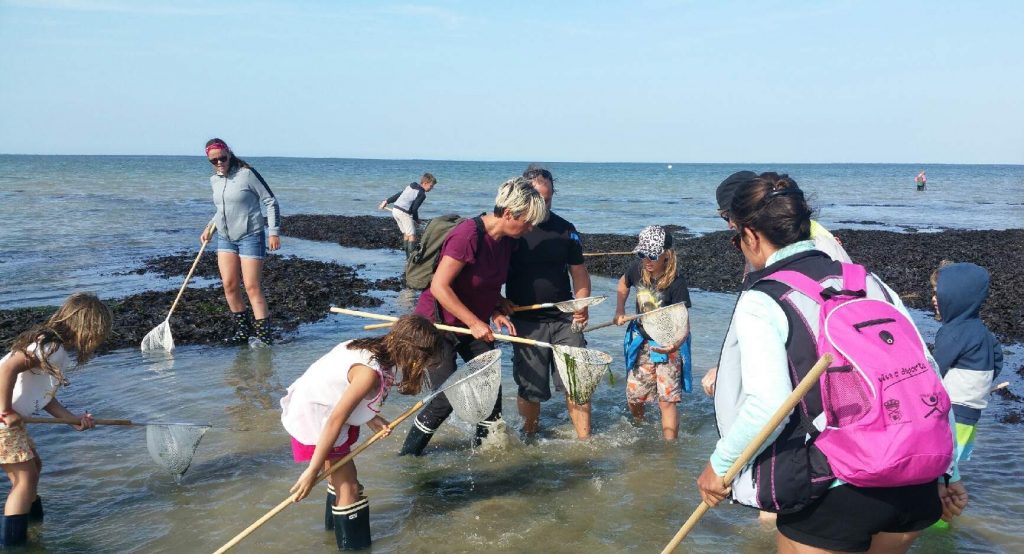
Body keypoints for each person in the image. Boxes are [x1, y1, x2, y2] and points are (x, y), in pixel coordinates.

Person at [697, 172, 965, 553]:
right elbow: (927, 376)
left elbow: (768, 404)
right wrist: (949, 471)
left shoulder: (764, 299)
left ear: (751, 235)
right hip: (915, 481)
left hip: (835, 488)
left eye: (736, 238)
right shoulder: (869, 282)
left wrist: (720, 466)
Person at [399, 177, 548, 456]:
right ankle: (409, 456)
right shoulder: (467, 234)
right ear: (508, 213)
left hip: (472, 325)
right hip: (437, 326)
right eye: (527, 222)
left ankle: (487, 460)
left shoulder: (506, 241)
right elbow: (439, 287)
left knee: (490, 393)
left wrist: (496, 307)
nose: (530, 229)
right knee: (448, 396)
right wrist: (475, 322)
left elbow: (484, 283)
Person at [282, 315, 441, 550]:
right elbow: (336, 418)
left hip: (316, 407)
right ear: (412, 355)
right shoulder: (368, 374)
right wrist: (311, 471)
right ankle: (353, 547)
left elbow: (338, 388)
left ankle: (332, 536)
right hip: (317, 420)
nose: (425, 366)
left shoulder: (368, 346)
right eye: (425, 360)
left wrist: (370, 418)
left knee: (340, 482)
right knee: (351, 489)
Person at [702, 170, 852, 397]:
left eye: (727, 216)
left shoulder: (814, 247)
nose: (728, 225)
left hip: (819, 393)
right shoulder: (773, 246)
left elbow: (812, 329)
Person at [0, 293, 112, 547]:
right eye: (99, 334)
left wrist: (72, 419)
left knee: (32, 470)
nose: (98, 341)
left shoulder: (55, 351)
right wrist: (5, 411)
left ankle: (34, 528)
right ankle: (14, 545)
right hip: (3, 421)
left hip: (11, 421)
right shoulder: (51, 348)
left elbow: (45, 398)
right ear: (87, 328)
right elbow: (7, 369)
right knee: (25, 480)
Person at [506, 164, 593, 439]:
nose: (543, 205)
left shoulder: (566, 230)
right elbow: (490, 273)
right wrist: (497, 303)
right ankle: (530, 436)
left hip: (565, 318)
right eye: (538, 199)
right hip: (525, 320)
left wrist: (582, 305)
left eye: (548, 199)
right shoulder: (512, 231)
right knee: (530, 388)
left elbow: (579, 273)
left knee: (577, 383)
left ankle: (585, 443)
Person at [931, 262, 1002, 523]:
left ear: (956, 297)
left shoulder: (953, 332)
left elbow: (933, 370)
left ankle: (936, 524)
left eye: (939, 293)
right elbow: (997, 361)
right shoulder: (983, 332)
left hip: (951, 413)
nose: (934, 299)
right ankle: (946, 521)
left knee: (939, 471)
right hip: (972, 414)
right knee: (952, 468)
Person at [201, 138, 282, 346]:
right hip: (225, 238)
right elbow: (222, 210)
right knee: (229, 285)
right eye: (214, 160)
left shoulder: (246, 174)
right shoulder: (214, 180)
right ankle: (243, 332)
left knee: (252, 287)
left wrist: (273, 232)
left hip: (250, 236)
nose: (219, 162)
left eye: (222, 158)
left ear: (229, 153)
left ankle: (264, 338)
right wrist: (210, 227)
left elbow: (270, 201)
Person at [613, 226, 692, 440]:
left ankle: (669, 450)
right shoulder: (636, 270)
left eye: (653, 255)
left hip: (669, 344)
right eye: (642, 254)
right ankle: (641, 426)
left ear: (667, 254)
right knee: (634, 396)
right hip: (642, 341)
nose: (647, 260)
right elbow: (623, 284)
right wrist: (620, 310)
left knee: (666, 400)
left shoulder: (677, 283)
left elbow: (684, 323)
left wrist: (675, 344)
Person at [379, 173, 438, 259]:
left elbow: (399, 194)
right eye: (431, 186)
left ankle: (407, 258)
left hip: (395, 210)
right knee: (412, 235)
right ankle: (411, 259)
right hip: (403, 213)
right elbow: (414, 209)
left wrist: (386, 201)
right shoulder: (421, 194)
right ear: (425, 183)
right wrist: (416, 219)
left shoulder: (411, 186)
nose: (432, 188)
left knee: (406, 233)